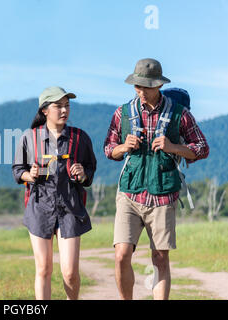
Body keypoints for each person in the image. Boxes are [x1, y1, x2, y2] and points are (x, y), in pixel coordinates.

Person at [104, 58, 209, 300]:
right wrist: (122, 147)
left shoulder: (179, 114)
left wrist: (174, 147)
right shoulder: (123, 113)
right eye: (136, 86)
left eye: (145, 87)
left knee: (160, 258)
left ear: (158, 86)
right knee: (121, 255)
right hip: (129, 192)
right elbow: (109, 149)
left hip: (163, 195)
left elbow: (202, 148)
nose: (140, 92)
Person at [12, 86, 97, 300]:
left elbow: (90, 167)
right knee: (43, 269)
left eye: (67, 105)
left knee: (69, 273)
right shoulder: (29, 138)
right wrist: (29, 175)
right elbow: (17, 170)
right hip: (40, 208)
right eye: (58, 106)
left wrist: (83, 173)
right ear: (44, 111)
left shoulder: (79, 137)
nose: (64, 110)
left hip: (70, 209)